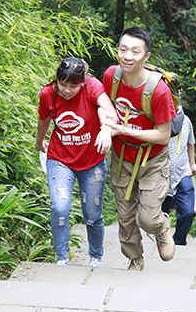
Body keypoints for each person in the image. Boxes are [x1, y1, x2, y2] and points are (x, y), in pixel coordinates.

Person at [103, 27, 177, 271]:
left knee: (147, 218)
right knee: (125, 215)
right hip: (122, 156)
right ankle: (135, 259)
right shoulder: (111, 77)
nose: (127, 56)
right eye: (123, 49)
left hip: (152, 159)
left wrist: (124, 130)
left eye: (135, 51)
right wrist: (106, 126)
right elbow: (103, 105)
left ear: (146, 56)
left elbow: (163, 135)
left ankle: (161, 228)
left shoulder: (159, 90)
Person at [35, 57, 117, 268]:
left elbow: (111, 113)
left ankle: (96, 257)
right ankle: (62, 258)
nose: (67, 90)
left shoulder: (92, 87)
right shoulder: (47, 94)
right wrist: (39, 142)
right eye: (63, 84)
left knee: (92, 213)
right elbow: (44, 120)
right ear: (57, 80)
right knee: (60, 206)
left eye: (73, 85)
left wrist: (106, 130)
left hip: (92, 161)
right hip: (60, 158)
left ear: (82, 82)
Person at [162, 113, 196, 246]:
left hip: (183, 173)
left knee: (188, 211)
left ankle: (178, 240)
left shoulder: (186, 121)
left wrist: (192, 163)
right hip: (162, 174)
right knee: (160, 214)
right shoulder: (158, 119)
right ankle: (163, 240)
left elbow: (191, 142)